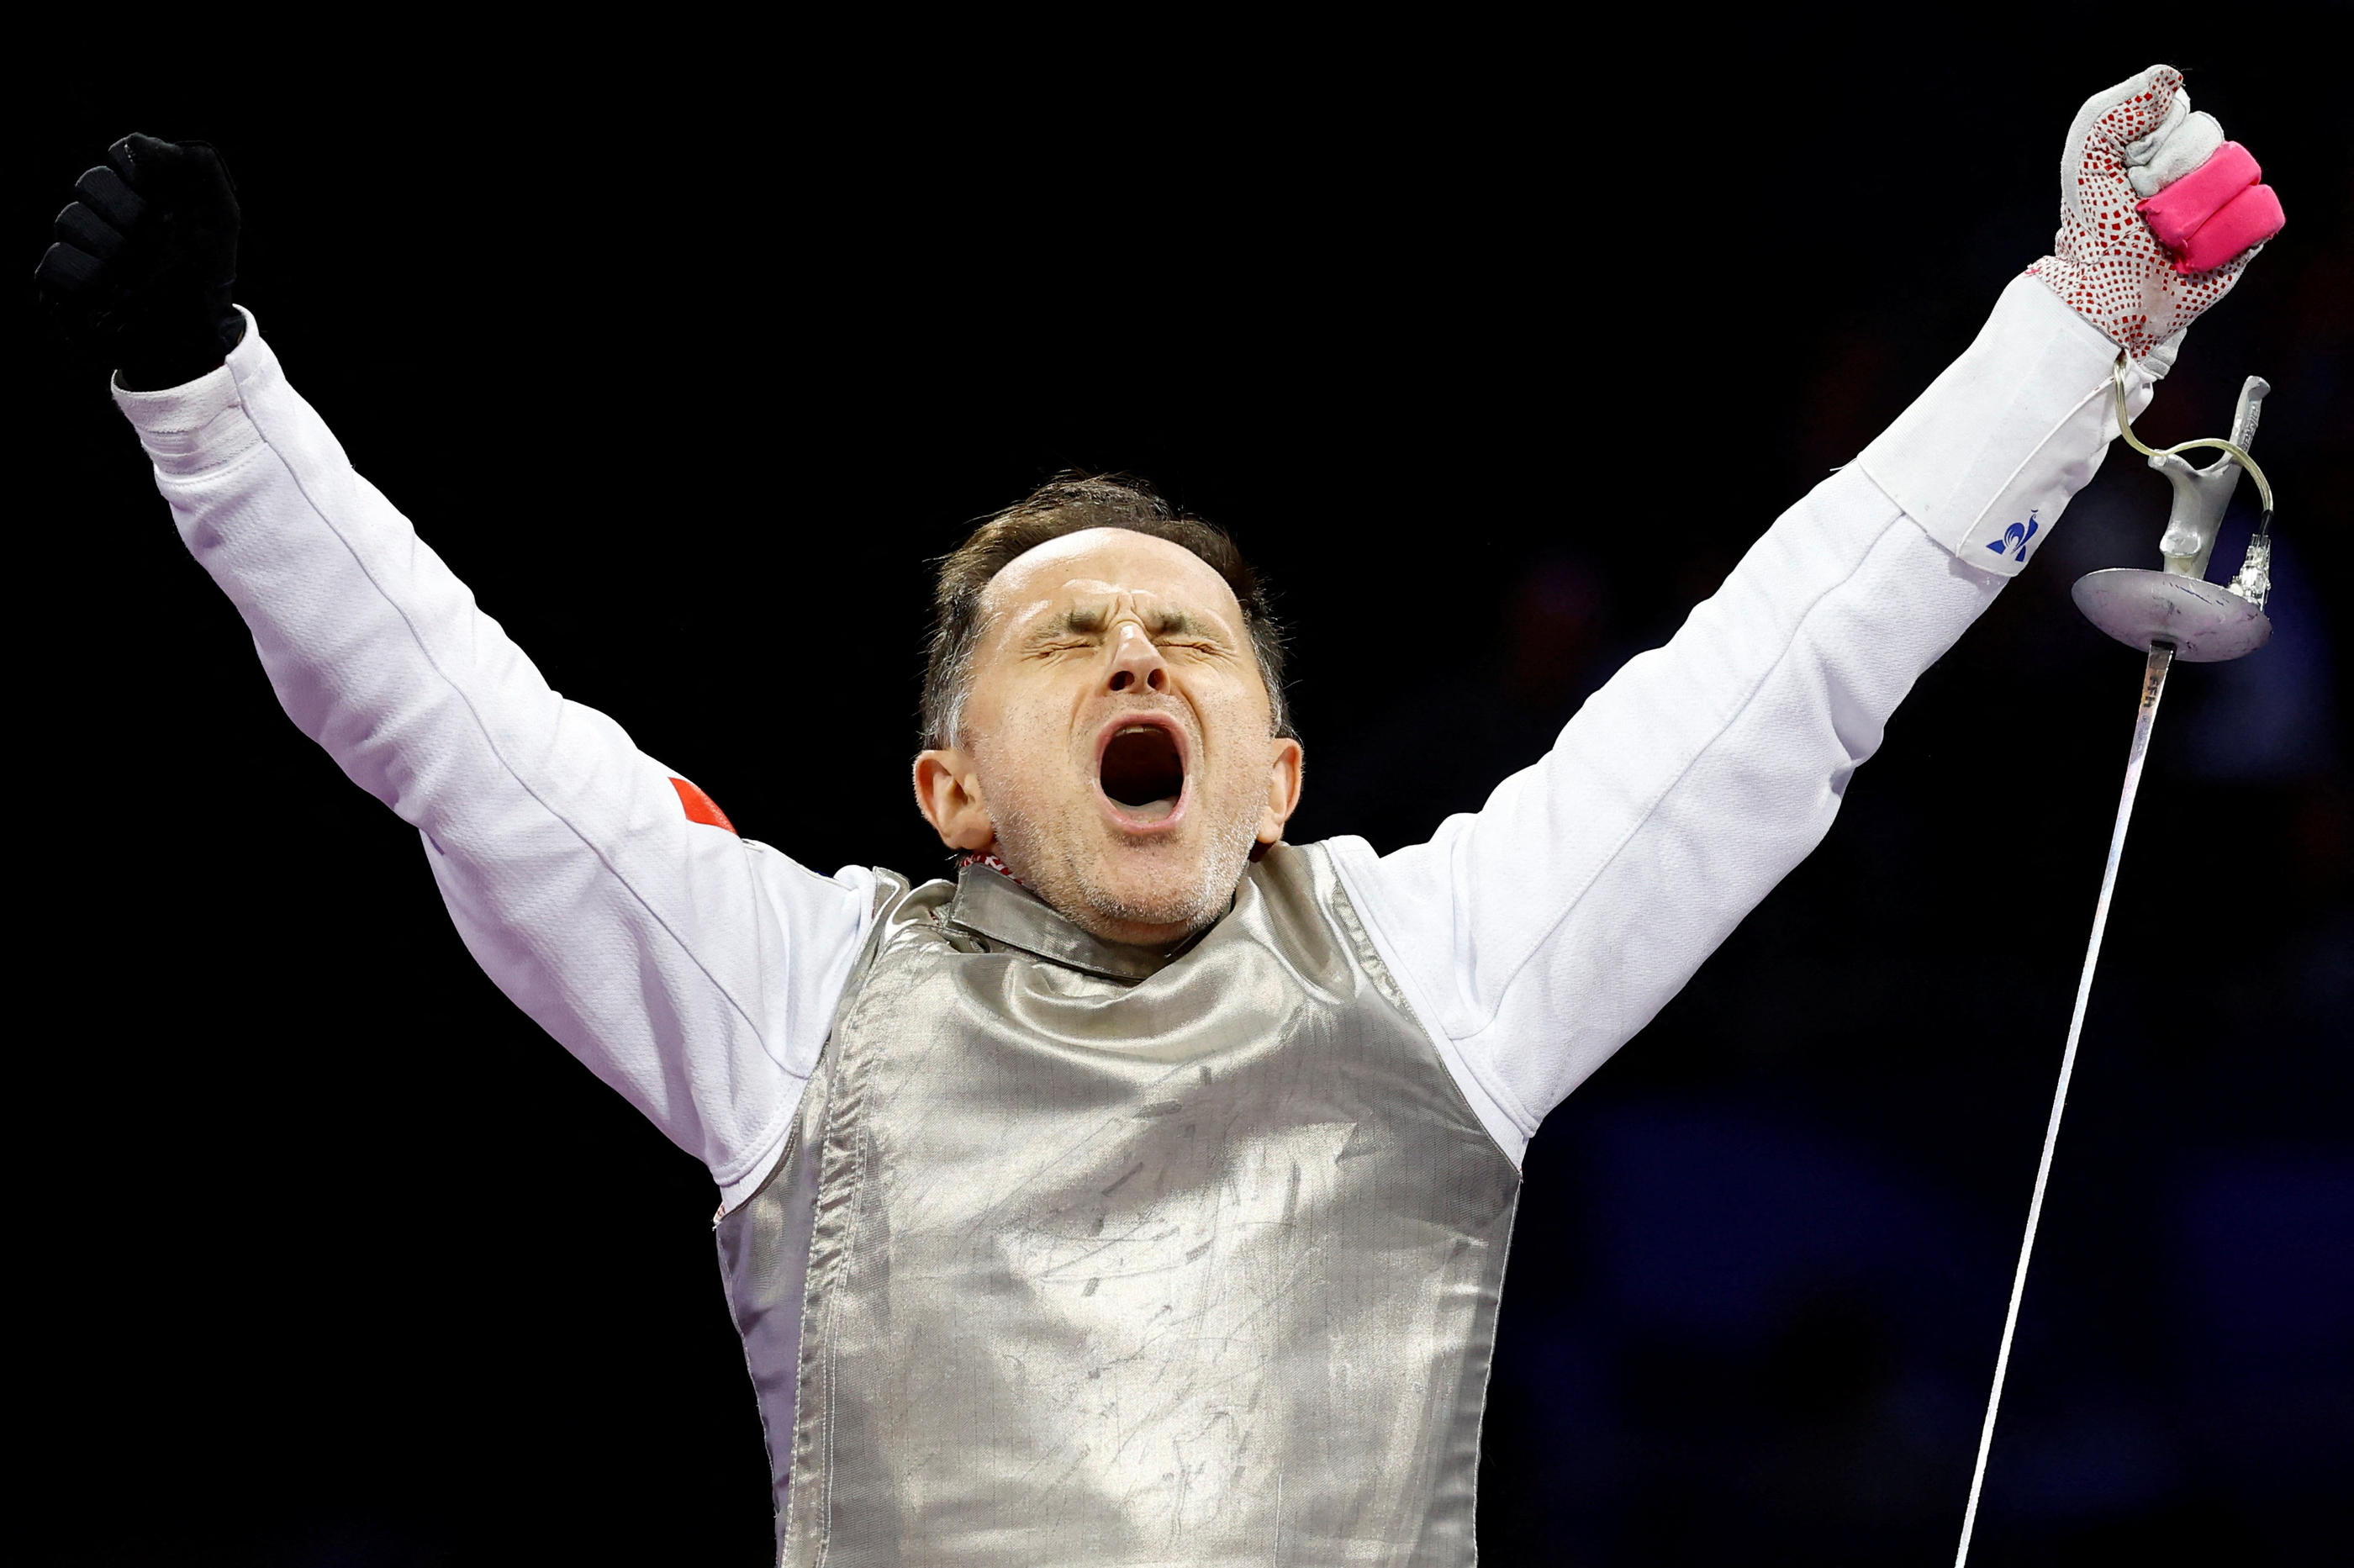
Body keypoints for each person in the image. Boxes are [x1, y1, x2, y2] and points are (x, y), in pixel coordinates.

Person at [33, 64, 2285, 1568]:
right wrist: (206, 391)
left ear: (1279, 775)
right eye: (1070, 637)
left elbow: (1780, 673)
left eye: (1188, 638)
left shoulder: (1435, 959)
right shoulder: (792, 995)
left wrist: (2083, 328)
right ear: (956, 794)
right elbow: (450, 726)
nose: (1136, 658)